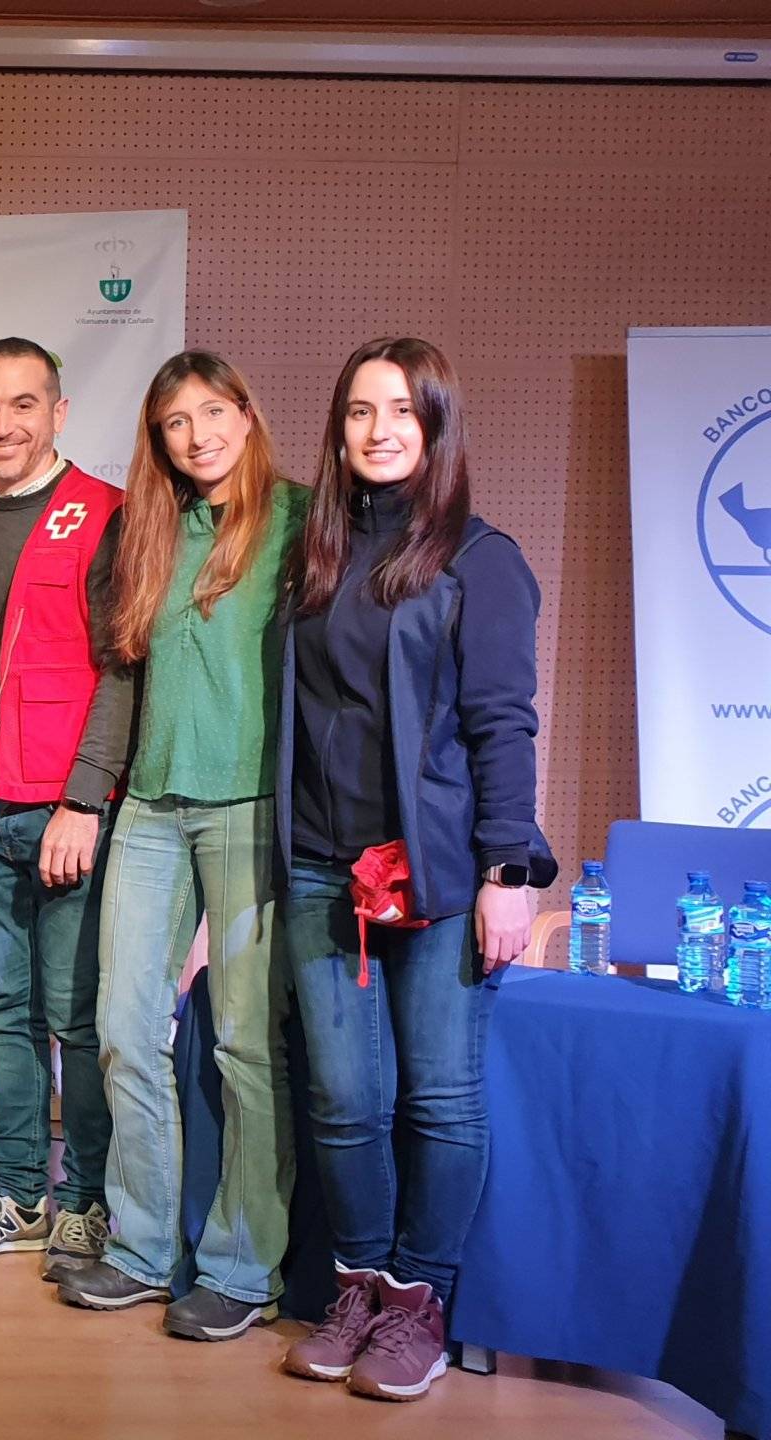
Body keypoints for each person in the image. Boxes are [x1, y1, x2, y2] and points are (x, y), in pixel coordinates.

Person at [276, 337, 550, 1402]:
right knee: (343, 1098)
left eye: (401, 410)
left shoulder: (482, 559)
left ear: (435, 427)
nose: (379, 429)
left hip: (433, 876)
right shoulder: (315, 556)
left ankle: (420, 1301)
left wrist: (507, 870)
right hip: (317, 870)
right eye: (358, 411)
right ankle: (356, 1288)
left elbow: (502, 724)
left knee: (438, 1098)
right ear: (338, 430)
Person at [55, 351, 308, 1341]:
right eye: (174, 422)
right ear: (155, 438)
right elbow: (120, 677)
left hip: (250, 808)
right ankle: (141, 1247)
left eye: (212, 412)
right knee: (123, 1025)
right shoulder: (143, 528)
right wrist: (87, 796)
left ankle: (242, 1267)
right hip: (151, 810)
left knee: (247, 1045)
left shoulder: (297, 520)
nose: (197, 434)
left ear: (246, 416)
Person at [0, 337, 133, 1281]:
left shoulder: (107, 516)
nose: (2, 425)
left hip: (63, 812)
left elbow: (124, 668)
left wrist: (83, 801)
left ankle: (87, 1201)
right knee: (3, 1018)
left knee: (76, 1018)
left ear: (58, 411)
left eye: (22, 405)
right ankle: (18, 1193)